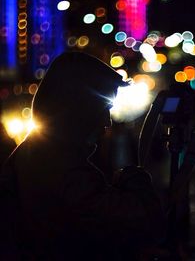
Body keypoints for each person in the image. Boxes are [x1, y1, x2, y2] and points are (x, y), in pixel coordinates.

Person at [0, 51, 166, 260]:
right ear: (78, 109)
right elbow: (144, 223)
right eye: (103, 109)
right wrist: (135, 180)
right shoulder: (65, 171)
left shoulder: (33, 153)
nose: (107, 123)